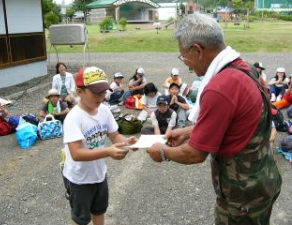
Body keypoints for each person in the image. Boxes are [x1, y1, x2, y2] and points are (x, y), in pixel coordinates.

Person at [147, 13, 281, 225]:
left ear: (197, 50)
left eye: (184, 56)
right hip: (263, 180)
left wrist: (162, 152)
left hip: (242, 197)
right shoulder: (245, 69)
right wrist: (186, 131)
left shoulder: (220, 87)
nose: (187, 65)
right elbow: (233, 121)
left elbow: (195, 154)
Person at [62, 66, 137, 225]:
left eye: (103, 92)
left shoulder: (104, 110)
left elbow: (114, 135)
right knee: (81, 218)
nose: (101, 97)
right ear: (80, 92)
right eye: (96, 93)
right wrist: (108, 151)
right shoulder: (73, 118)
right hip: (79, 179)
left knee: (99, 210)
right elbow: (77, 154)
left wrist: (127, 143)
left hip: (99, 174)